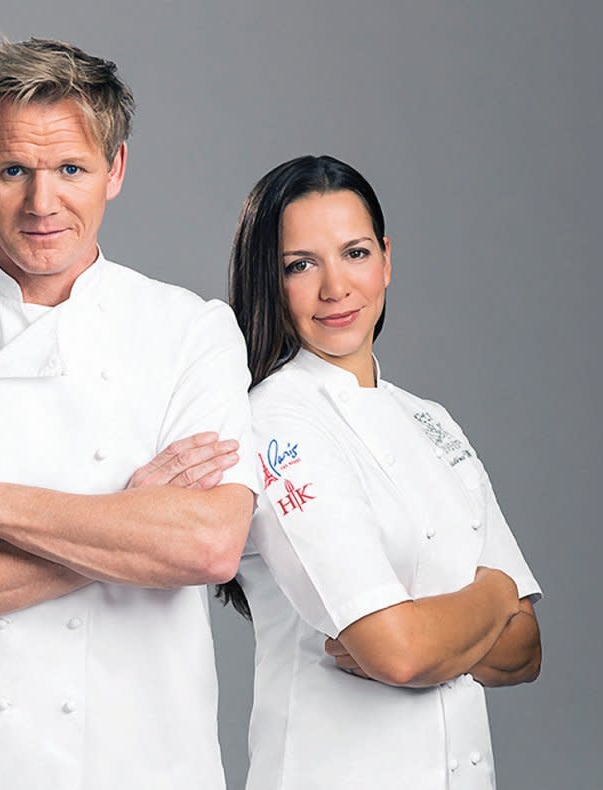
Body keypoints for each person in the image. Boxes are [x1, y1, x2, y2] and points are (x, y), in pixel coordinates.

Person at [0, 38, 257, 789]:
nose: (42, 203)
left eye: (71, 169)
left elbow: (209, 545)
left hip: (142, 761)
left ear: (115, 169)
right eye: (13, 171)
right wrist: (128, 525)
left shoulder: (190, 330)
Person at [222, 155, 543, 789]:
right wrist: (497, 594)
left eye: (356, 253)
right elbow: (399, 653)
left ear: (387, 260)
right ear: (268, 280)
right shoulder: (274, 422)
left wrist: (427, 635)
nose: (336, 287)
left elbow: (526, 651)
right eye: (300, 265)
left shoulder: (432, 421)